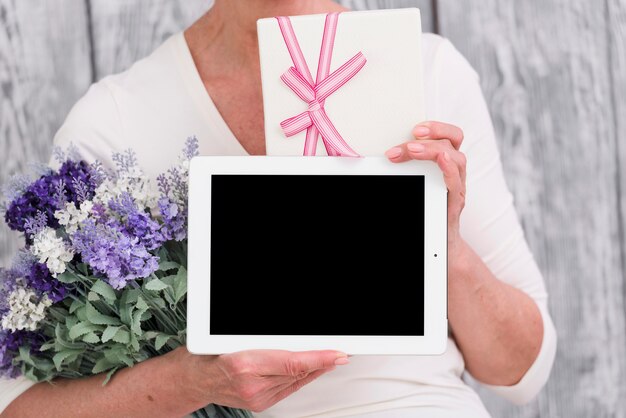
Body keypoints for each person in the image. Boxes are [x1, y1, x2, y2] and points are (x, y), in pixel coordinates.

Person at [0, 1, 557, 417]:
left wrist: (447, 245)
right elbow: (19, 404)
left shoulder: (425, 71)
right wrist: (192, 384)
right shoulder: (117, 119)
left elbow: (521, 374)